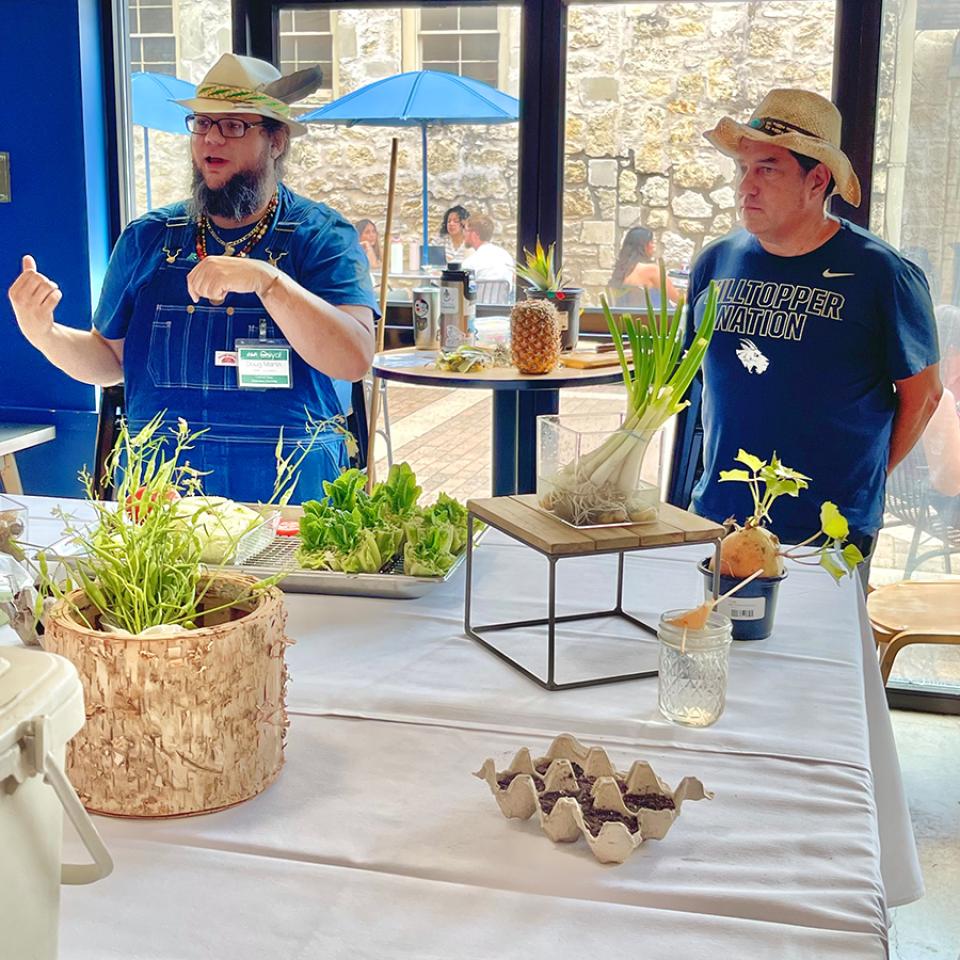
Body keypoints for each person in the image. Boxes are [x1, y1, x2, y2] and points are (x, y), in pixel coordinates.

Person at [8, 54, 377, 503]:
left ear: (276, 141)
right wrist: (43, 332)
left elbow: (354, 359)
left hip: (291, 492)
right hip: (164, 494)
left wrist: (269, 282)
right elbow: (108, 362)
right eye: (202, 123)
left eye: (234, 125)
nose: (211, 138)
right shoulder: (147, 237)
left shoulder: (322, 236)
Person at [682, 88, 942, 566]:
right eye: (742, 169)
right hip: (719, 517)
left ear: (817, 180)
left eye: (768, 169)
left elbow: (924, 394)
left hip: (825, 532)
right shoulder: (717, 262)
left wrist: (865, 481)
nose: (746, 187)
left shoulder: (883, 274)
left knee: (821, 642)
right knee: (712, 637)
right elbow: (698, 385)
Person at [922, 304, 960, 498]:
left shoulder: (912, 386)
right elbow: (952, 484)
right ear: (952, 351)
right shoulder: (941, 398)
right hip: (944, 501)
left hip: (919, 495)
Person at [608, 226, 681, 307]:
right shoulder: (651, 270)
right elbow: (677, 299)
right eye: (651, 242)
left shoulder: (621, 271)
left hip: (628, 318)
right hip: (657, 318)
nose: (653, 246)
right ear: (643, 246)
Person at [460, 214, 514, 284]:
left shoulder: (470, 263)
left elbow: (463, 290)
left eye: (465, 230)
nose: (463, 234)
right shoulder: (506, 256)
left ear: (474, 234)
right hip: (503, 295)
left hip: (479, 295)